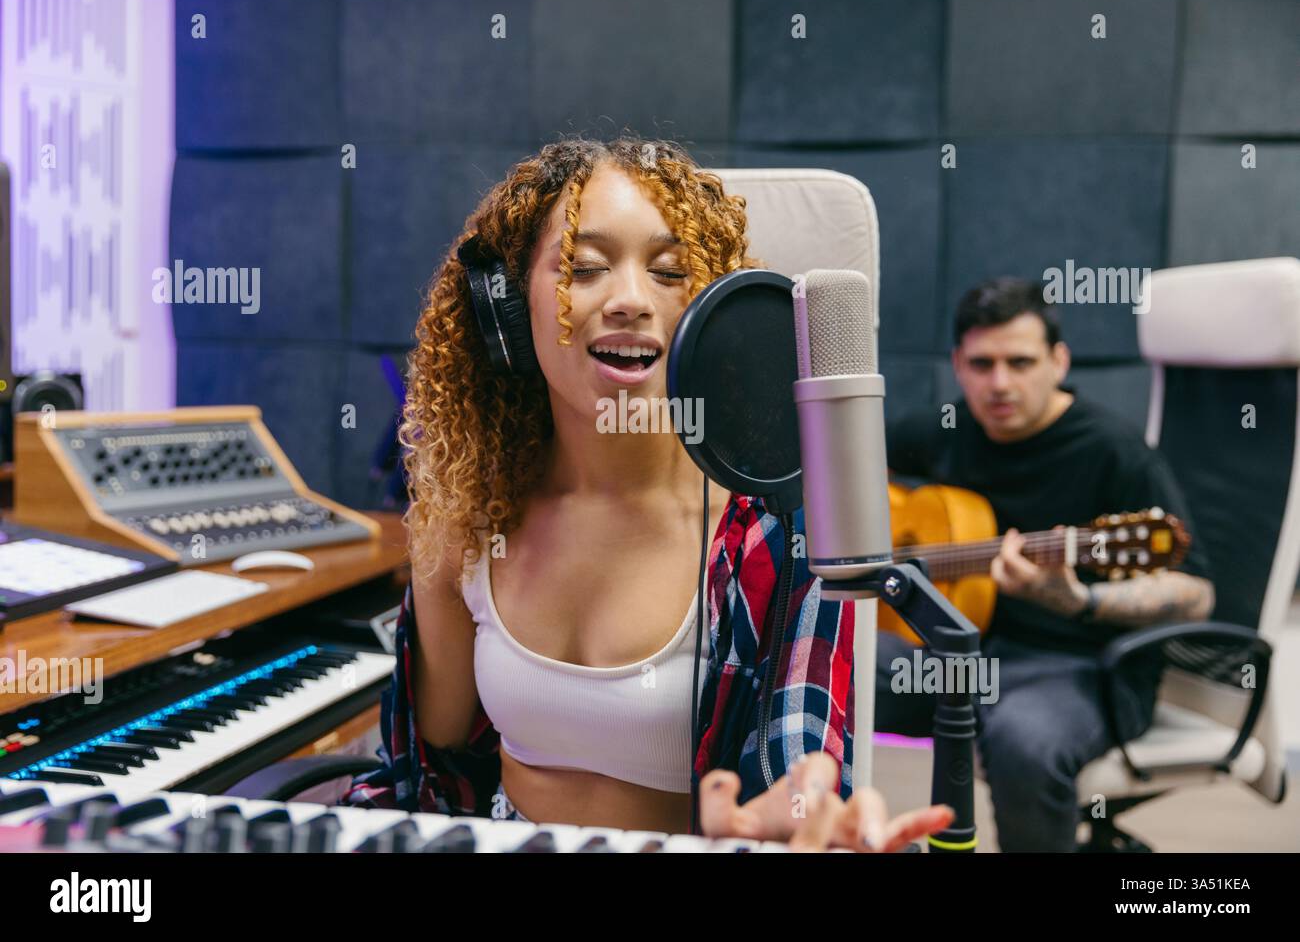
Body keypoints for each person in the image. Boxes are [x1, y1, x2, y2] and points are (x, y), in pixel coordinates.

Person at [345, 136, 953, 851]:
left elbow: (804, 757)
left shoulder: (779, 532)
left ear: (713, 313)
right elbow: (433, 760)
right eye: (586, 267)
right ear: (506, 313)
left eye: (670, 273)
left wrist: (787, 817)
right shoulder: (470, 522)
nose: (631, 299)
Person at [878, 277, 1215, 852]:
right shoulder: (951, 429)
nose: (1000, 383)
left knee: (1024, 742)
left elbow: (1196, 593)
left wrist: (1081, 600)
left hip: (1080, 669)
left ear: (1058, 361)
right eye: (982, 364)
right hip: (968, 656)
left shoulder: (1114, 450)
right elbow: (840, 454)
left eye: (1021, 361)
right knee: (822, 657)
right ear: (958, 364)